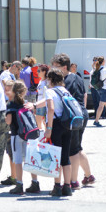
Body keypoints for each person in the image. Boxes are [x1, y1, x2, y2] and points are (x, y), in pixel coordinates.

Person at [49, 53, 95, 189]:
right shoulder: (78, 78)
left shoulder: (65, 82)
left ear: (64, 67)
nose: (53, 68)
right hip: (80, 114)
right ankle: (88, 176)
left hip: (71, 117)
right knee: (77, 147)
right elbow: (85, 96)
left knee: (72, 150)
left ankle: (73, 181)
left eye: (56, 66)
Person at [41, 68, 74, 197]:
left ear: (50, 79)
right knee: (65, 157)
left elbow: (51, 109)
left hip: (56, 126)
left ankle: (57, 187)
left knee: (55, 156)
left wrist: (48, 128)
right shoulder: (65, 91)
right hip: (67, 125)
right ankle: (67, 187)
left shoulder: (49, 92)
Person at [4, 80, 38, 195]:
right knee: (30, 159)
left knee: (18, 160)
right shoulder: (27, 103)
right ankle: (35, 183)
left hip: (16, 134)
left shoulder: (10, 104)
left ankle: (19, 185)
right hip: (28, 134)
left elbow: (8, 121)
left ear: (13, 90)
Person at [93, 56, 106, 126]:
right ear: (103, 61)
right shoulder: (105, 70)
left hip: (100, 89)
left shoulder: (97, 68)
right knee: (101, 106)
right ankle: (96, 121)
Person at [34, 64, 49, 131]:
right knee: (38, 121)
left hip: (44, 103)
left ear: (44, 72)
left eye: (39, 70)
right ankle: (41, 135)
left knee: (44, 121)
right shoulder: (40, 81)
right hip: (39, 102)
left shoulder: (47, 82)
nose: (37, 72)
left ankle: (45, 135)